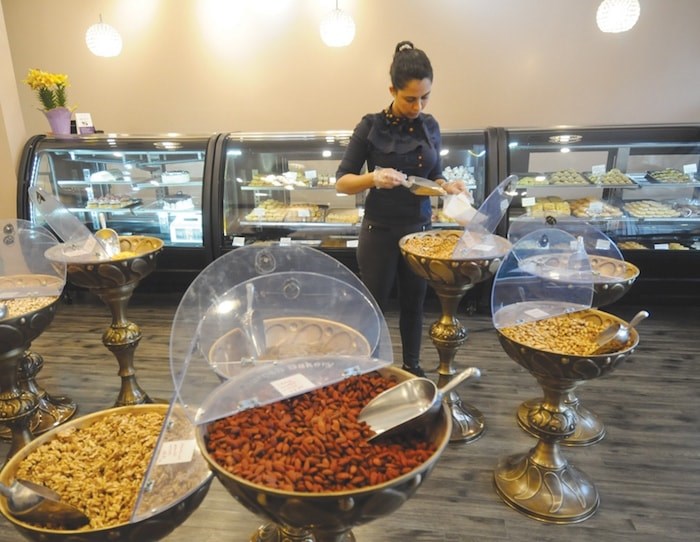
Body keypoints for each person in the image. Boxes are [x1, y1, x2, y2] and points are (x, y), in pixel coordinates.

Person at [336, 40, 465, 377]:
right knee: (374, 307)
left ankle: (412, 368)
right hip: (379, 231)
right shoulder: (370, 126)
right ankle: (370, 371)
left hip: (420, 232)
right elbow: (342, 181)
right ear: (392, 89)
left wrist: (447, 185)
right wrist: (373, 178)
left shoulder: (430, 126)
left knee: (414, 306)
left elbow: (433, 173)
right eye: (410, 98)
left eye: (425, 97)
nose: (418, 106)